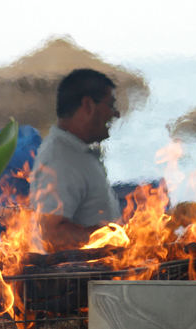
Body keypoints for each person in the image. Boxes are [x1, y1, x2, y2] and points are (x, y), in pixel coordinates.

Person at [29, 69, 122, 251]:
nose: (115, 114)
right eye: (110, 105)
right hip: (80, 279)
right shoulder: (60, 158)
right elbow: (51, 233)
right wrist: (117, 237)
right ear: (88, 105)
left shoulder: (74, 151)